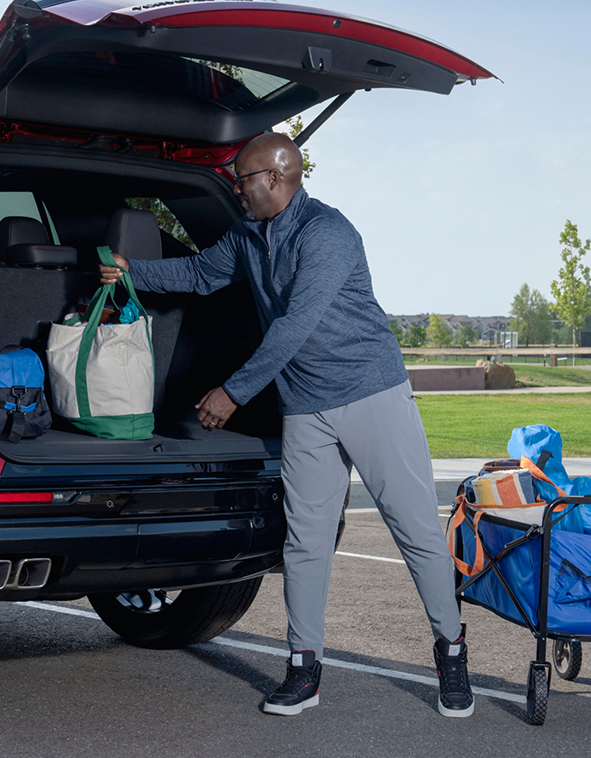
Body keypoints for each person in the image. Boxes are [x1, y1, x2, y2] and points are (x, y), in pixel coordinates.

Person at [99, 132, 473, 718]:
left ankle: (451, 649)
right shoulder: (248, 234)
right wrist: (130, 271)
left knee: (416, 530)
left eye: (242, 180)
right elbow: (200, 273)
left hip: (370, 393)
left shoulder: (328, 233)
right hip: (305, 405)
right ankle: (304, 668)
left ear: (275, 177)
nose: (236, 190)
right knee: (305, 540)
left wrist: (233, 392)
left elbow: (295, 325)